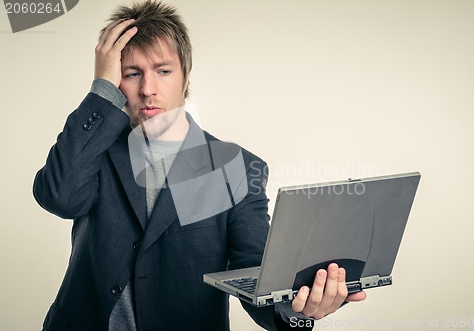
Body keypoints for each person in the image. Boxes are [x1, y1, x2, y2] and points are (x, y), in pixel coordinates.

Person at [33, 1, 366, 330]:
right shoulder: (94, 149)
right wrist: (102, 90)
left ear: (185, 76)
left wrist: (298, 309)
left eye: (163, 71)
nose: (148, 89)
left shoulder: (236, 168)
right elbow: (60, 197)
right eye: (132, 74)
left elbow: (254, 269)